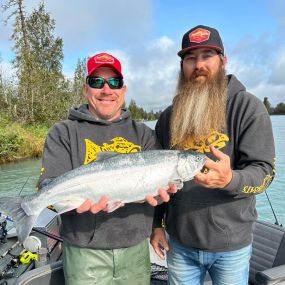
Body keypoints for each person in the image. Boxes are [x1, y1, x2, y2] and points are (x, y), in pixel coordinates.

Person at [150, 25, 276, 285]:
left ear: (223, 60)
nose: (199, 64)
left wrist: (231, 179)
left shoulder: (248, 107)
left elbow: (265, 172)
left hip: (232, 247)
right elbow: (156, 177)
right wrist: (156, 225)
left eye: (207, 55)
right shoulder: (168, 117)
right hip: (180, 244)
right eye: (190, 58)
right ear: (182, 65)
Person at [38, 52, 175, 285]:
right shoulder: (63, 132)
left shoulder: (143, 134)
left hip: (135, 250)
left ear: (123, 89)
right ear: (85, 89)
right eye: (97, 82)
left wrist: (158, 212)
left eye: (114, 82)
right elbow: (47, 188)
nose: (106, 89)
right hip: (84, 252)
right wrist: (66, 202)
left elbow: (159, 193)